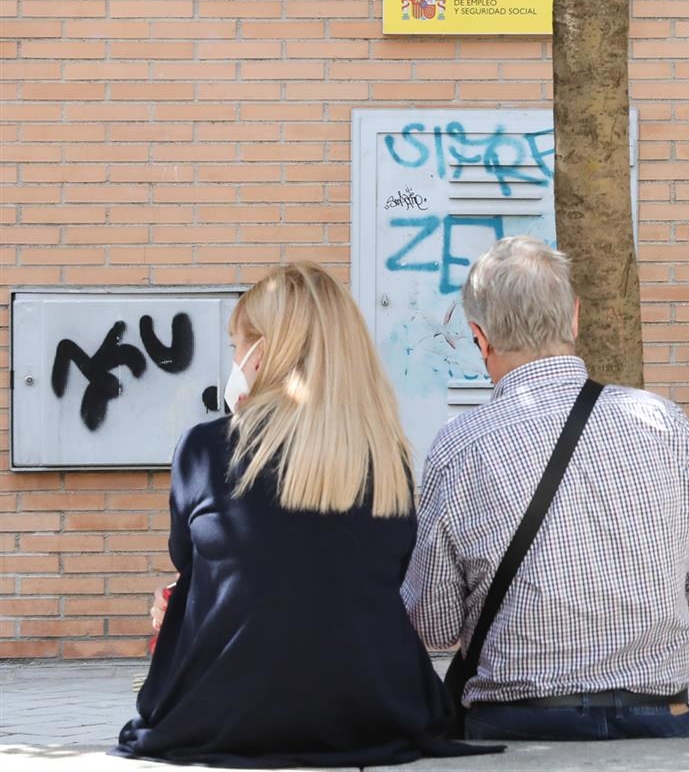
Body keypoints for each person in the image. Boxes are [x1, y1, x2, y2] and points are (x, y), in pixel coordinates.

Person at [118, 264, 488, 766]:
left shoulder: (204, 449)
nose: (234, 362)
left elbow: (186, 558)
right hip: (372, 709)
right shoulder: (386, 456)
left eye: (235, 348)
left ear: (263, 352)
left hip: (223, 711)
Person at [403, 236, 689, 742]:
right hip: (656, 712)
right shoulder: (662, 422)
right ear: (576, 317)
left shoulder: (462, 445)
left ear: (481, 337)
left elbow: (432, 623)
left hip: (519, 717)